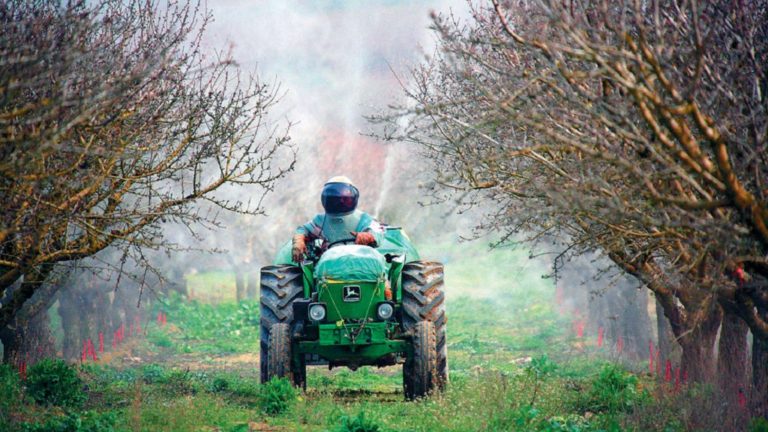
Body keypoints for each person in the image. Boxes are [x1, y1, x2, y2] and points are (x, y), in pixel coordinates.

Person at [292, 176, 384, 263]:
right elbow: (303, 230)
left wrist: (369, 236)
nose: (338, 203)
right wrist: (299, 240)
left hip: (359, 263)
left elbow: (378, 232)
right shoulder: (320, 220)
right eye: (333, 200)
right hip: (329, 267)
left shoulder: (362, 219)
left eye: (344, 199)